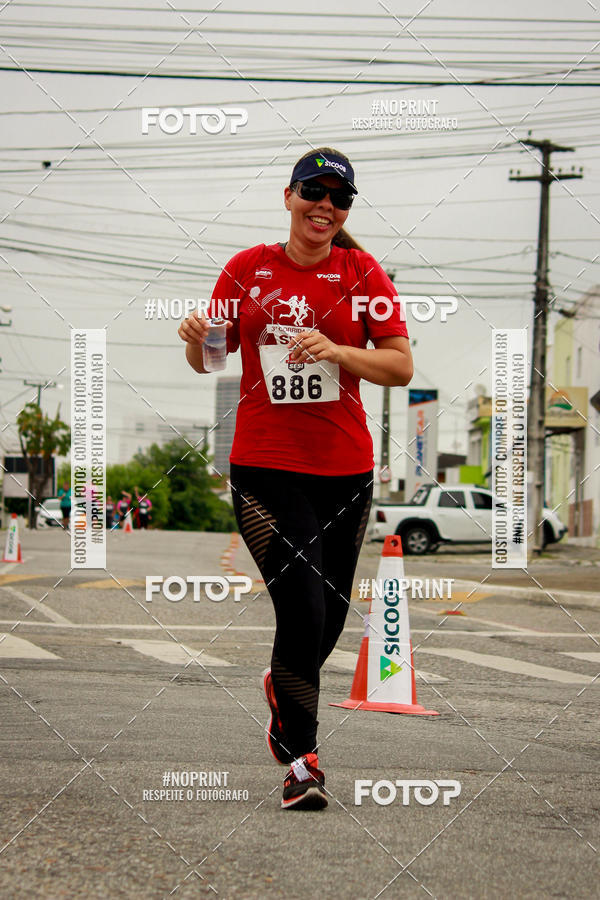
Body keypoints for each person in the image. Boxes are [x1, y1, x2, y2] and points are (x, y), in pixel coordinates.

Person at [178, 147, 412, 811]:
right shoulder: (246, 270)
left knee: (329, 615)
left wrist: (338, 350)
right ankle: (302, 761)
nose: (325, 206)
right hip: (264, 465)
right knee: (302, 605)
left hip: (345, 469)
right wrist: (194, 336)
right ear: (288, 196)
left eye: (340, 198)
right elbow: (211, 360)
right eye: (314, 191)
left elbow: (399, 365)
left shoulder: (361, 273)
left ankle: (284, 692)